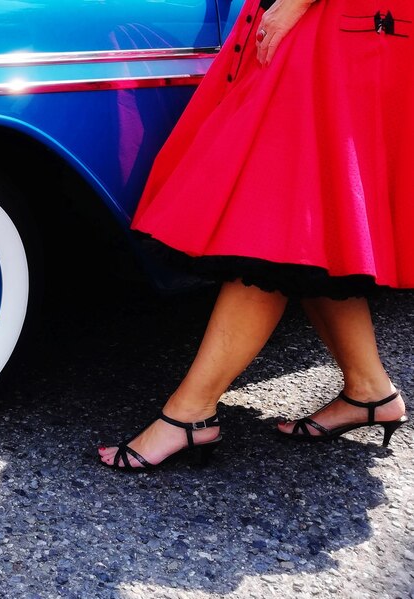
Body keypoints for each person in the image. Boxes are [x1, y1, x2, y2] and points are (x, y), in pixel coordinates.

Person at [98, 0, 412, 470]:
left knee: (271, 228)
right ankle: (369, 389)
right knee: (310, 228)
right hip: (339, 26)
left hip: (336, 27)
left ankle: (190, 413)